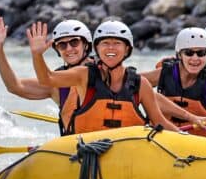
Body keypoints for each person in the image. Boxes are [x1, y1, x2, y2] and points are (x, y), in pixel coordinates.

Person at [27, 20, 179, 134]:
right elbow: (46, 79)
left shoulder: (140, 84)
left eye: (117, 43)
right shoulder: (83, 75)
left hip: (128, 158)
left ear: (127, 50)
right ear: (96, 49)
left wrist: (185, 137)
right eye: (105, 43)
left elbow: (160, 122)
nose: (111, 48)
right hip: (87, 155)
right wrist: (37, 55)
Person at [0, 15, 92, 135]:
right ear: (57, 50)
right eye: (62, 45)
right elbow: (15, 86)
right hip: (78, 145)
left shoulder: (104, 70)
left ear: (86, 44)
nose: (68, 49)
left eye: (74, 42)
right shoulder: (55, 84)